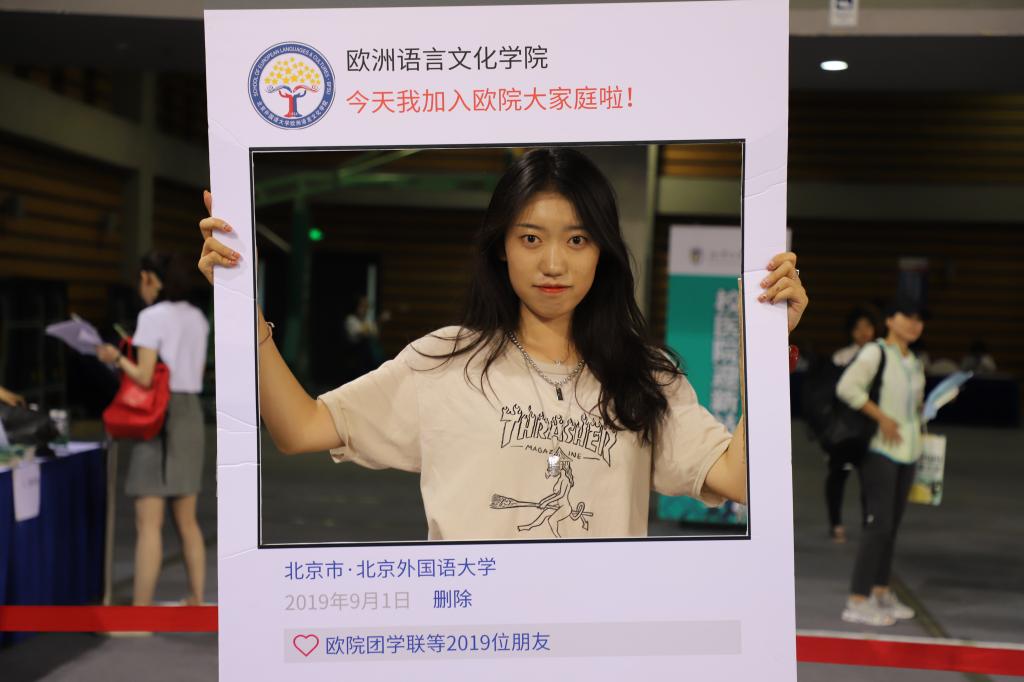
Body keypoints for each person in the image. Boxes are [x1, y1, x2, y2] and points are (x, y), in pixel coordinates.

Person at [198, 148, 809, 540]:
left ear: (603, 252)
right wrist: (243, 310)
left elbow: (740, 478)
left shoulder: (644, 377)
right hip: (471, 643)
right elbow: (299, 428)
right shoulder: (443, 361)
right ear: (500, 248)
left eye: (577, 240)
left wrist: (762, 349)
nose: (553, 263)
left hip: (597, 645)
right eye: (530, 238)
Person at [96, 252, 210, 606]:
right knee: (187, 521)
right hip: (191, 415)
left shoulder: (151, 317)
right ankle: (195, 601)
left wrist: (117, 358)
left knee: (148, 523)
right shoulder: (198, 317)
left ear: (149, 278)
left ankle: (141, 617)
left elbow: (145, 377)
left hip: (160, 417)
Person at [835, 293, 926, 626]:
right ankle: (857, 600)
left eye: (919, 319)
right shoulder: (876, 352)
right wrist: (882, 418)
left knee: (891, 526)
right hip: (879, 450)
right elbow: (847, 388)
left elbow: (913, 406)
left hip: (909, 451)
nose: (914, 324)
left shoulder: (914, 361)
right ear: (889, 320)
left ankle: (881, 591)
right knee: (879, 525)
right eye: (907, 316)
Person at [825, 305, 879, 543]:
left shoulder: (882, 358)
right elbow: (831, 399)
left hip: (873, 430)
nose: (864, 332)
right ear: (850, 331)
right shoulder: (841, 358)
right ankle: (836, 524)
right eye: (858, 328)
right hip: (844, 432)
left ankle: (870, 524)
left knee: (871, 480)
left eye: (868, 326)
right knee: (838, 475)